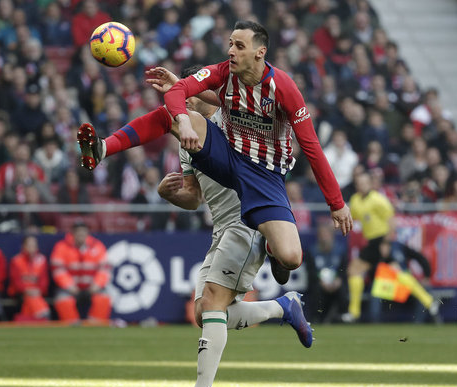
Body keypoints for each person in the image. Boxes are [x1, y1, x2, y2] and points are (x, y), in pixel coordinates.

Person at [78, 20, 352, 287]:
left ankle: (271, 248)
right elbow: (179, 91)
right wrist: (184, 120)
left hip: (265, 175)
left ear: (260, 52)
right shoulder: (222, 72)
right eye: (230, 44)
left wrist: (336, 203)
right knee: (173, 115)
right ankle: (104, 147)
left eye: (239, 46)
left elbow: (312, 148)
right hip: (227, 154)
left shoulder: (284, 88)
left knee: (291, 258)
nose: (231, 51)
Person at [152, 65, 313, 387]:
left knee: (212, 300)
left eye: (188, 94)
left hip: (248, 219)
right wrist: (167, 194)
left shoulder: (233, 122)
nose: (184, 104)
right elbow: (193, 197)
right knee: (204, 313)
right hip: (221, 229)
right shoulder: (187, 136)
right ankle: (283, 307)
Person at [344, 171, 394, 322]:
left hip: (381, 240)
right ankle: (429, 302)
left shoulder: (378, 199)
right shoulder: (355, 200)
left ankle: (354, 312)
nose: (362, 185)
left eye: (365, 183)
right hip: (372, 242)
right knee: (397, 273)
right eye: (359, 183)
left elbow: (391, 220)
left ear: (371, 184)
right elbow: (353, 216)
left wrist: (386, 243)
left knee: (355, 270)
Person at [50, 221, 112, 323]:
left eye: (83, 232)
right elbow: (58, 270)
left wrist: (96, 286)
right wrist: (70, 286)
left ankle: (96, 326)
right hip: (69, 288)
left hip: (92, 287)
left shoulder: (97, 246)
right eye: (78, 232)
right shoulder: (62, 247)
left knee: (103, 298)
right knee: (63, 300)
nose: (81, 235)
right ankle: (72, 326)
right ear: (73, 234)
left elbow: (104, 269)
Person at [305, 219, 349, 324]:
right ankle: (317, 317)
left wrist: (338, 280)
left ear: (331, 235)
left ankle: (343, 315)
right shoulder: (312, 251)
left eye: (326, 235)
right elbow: (311, 271)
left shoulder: (340, 250)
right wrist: (321, 281)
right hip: (320, 283)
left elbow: (343, 269)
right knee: (316, 289)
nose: (324, 238)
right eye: (321, 235)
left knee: (343, 288)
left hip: (335, 282)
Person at [8, 235, 51, 321]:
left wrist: (39, 290)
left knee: (32, 300)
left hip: (37, 293)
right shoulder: (16, 260)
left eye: (34, 245)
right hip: (20, 293)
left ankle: (29, 320)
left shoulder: (42, 260)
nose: (32, 248)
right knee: (31, 298)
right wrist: (26, 290)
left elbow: (44, 281)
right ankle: (43, 314)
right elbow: (16, 281)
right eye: (29, 245)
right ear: (23, 247)